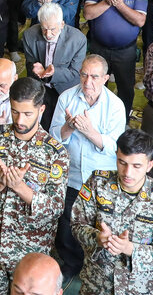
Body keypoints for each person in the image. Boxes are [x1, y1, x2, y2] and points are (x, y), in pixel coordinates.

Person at [0, 77, 70, 295]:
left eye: (27, 114)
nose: (19, 120)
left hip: (29, 251)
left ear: (41, 109)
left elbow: (55, 208)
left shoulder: (55, 154)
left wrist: (19, 187)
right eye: (14, 112)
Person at [70, 128, 153, 295]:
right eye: (122, 163)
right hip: (95, 294)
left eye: (136, 166)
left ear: (150, 165)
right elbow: (77, 224)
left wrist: (130, 249)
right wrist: (96, 237)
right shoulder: (97, 182)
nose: (127, 172)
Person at [51, 54, 127, 278]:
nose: (87, 82)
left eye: (94, 77)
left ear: (105, 79)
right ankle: (71, 262)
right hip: (72, 174)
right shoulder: (67, 98)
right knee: (67, 222)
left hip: (102, 178)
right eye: (84, 75)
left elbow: (116, 148)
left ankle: (97, 266)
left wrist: (90, 132)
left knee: (99, 224)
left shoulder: (115, 106)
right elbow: (53, 138)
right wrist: (68, 128)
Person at [82, 0, 147, 110]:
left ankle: (122, 121)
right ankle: (95, 116)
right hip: (99, 48)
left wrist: (120, 5)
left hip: (125, 51)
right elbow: (88, 14)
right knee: (94, 86)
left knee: (125, 89)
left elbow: (140, 20)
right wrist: (106, 2)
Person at [21, 4, 86, 130]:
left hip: (66, 89)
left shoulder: (77, 39)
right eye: (44, 29)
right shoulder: (29, 35)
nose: (48, 34)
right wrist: (35, 69)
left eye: (52, 29)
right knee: (41, 125)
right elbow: (29, 64)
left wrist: (54, 73)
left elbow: (75, 72)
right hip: (41, 87)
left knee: (64, 127)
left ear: (62, 24)